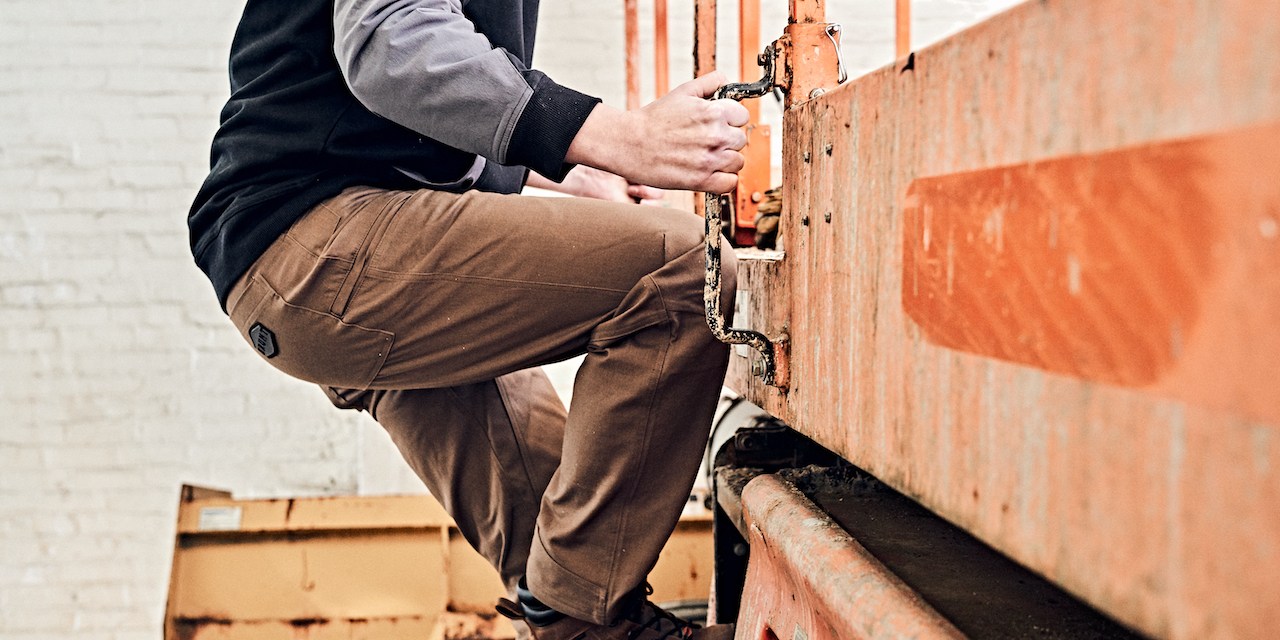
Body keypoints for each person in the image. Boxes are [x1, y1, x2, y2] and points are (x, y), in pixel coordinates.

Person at [188, 1, 747, 638]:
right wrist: (626, 137)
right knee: (682, 271)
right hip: (325, 248)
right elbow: (390, 42)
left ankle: (584, 624)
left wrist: (582, 177)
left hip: (300, 269)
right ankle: (576, 610)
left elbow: (408, 120)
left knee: (556, 541)